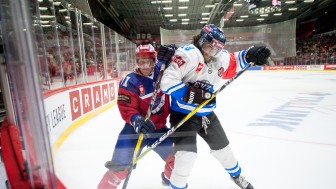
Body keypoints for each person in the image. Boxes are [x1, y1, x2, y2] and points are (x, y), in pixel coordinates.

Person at [160, 24, 271, 189]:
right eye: (209, 44)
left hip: (206, 115)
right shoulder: (188, 54)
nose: (212, 50)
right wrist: (192, 94)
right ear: (201, 40)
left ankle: (237, 176)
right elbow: (166, 82)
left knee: (224, 150)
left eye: (217, 47)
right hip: (183, 115)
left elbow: (235, 60)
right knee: (186, 158)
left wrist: (251, 54)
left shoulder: (221, 58)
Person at [98, 44, 176, 189]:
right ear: (136, 62)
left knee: (177, 159)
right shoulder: (130, 81)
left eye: (149, 62)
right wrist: (136, 119)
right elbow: (126, 107)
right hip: (134, 131)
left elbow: (181, 65)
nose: (145, 66)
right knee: (118, 170)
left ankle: (168, 178)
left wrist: (175, 53)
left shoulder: (163, 70)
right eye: (141, 62)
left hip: (157, 129)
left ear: (154, 60)